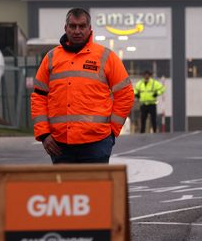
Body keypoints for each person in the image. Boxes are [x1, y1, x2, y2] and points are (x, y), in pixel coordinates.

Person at [31, 8, 134, 163]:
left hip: (97, 143)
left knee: (95, 188)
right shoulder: (51, 58)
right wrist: (44, 134)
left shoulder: (106, 57)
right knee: (65, 188)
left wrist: (112, 131)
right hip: (60, 144)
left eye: (82, 26)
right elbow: (39, 97)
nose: (77, 31)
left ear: (90, 29)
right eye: (72, 26)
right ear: (65, 28)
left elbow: (125, 94)